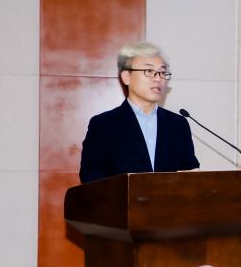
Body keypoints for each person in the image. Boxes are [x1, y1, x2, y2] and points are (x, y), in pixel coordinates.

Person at [79, 43, 199, 183]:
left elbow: (191, 174)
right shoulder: (103, 125)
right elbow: (91, 179)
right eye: (149, 71)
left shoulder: (178, 124)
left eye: (162, 72)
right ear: (126, 77)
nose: (158, 78)